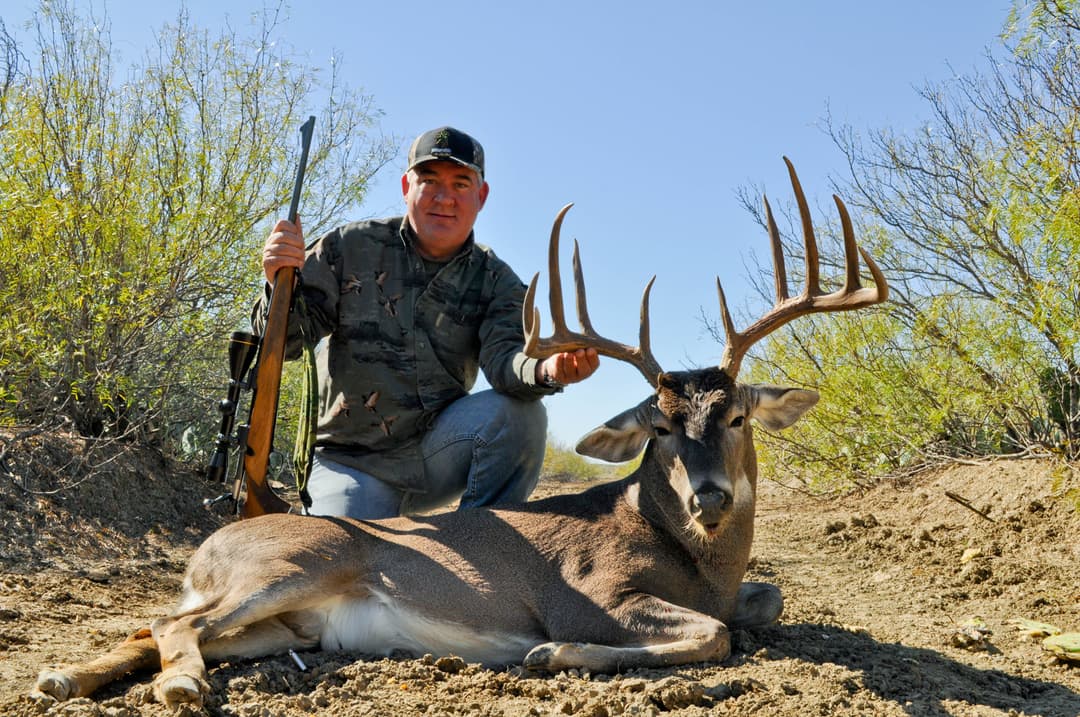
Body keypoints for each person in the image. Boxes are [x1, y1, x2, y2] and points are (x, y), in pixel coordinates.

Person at [255, 126, 599, 519]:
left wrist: (546, 370)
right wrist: (276, 284)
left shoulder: (497, 281)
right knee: (344, 566)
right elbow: (284, 343)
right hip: (351, 463)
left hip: (434, 457)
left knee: (522, 417)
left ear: (481, 196)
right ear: (406, 186)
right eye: (429, 180)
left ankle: (482, 550)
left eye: (460, 183)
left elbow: (507, 361)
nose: (443, 197)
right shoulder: (348, 246)